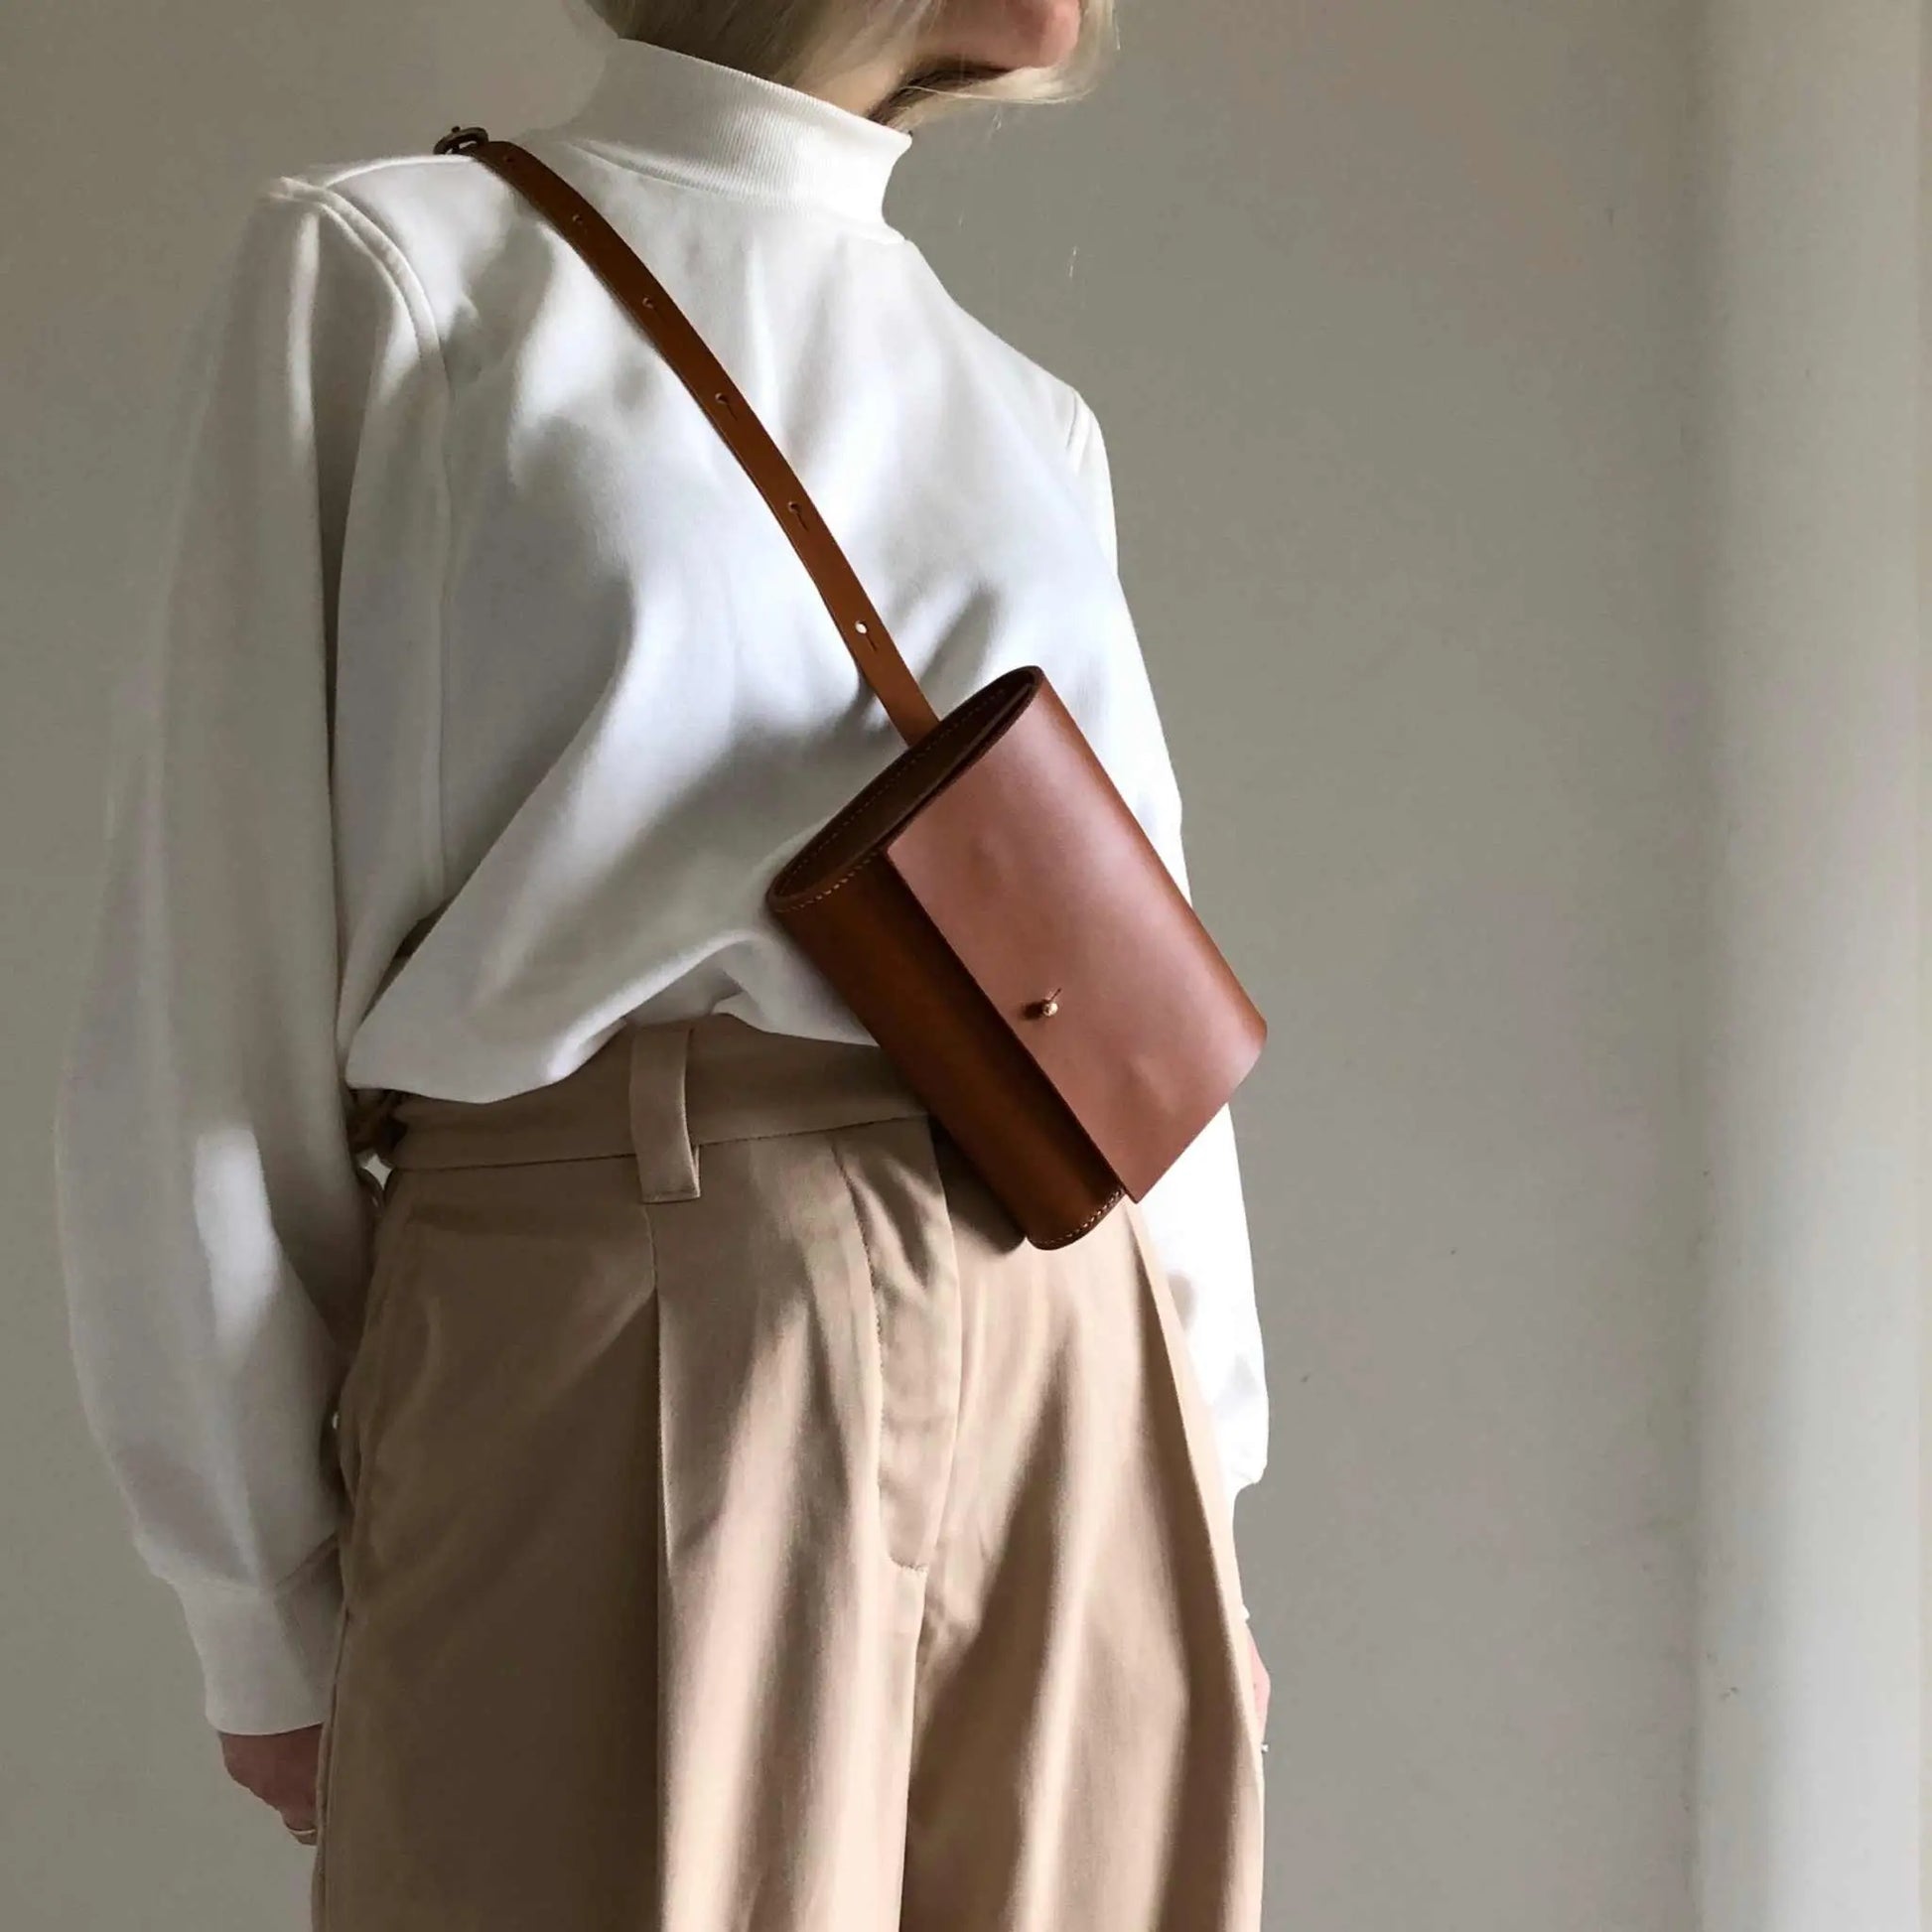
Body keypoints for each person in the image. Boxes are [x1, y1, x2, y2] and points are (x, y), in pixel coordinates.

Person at [52, 2, 1271, 1924]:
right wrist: (256, 1596)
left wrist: (1198, 1480)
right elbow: (217, 993)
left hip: (1072, 1374)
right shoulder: (394, 281)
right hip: (635, 1316)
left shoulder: (1024, 415)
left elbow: (1128, 1019)